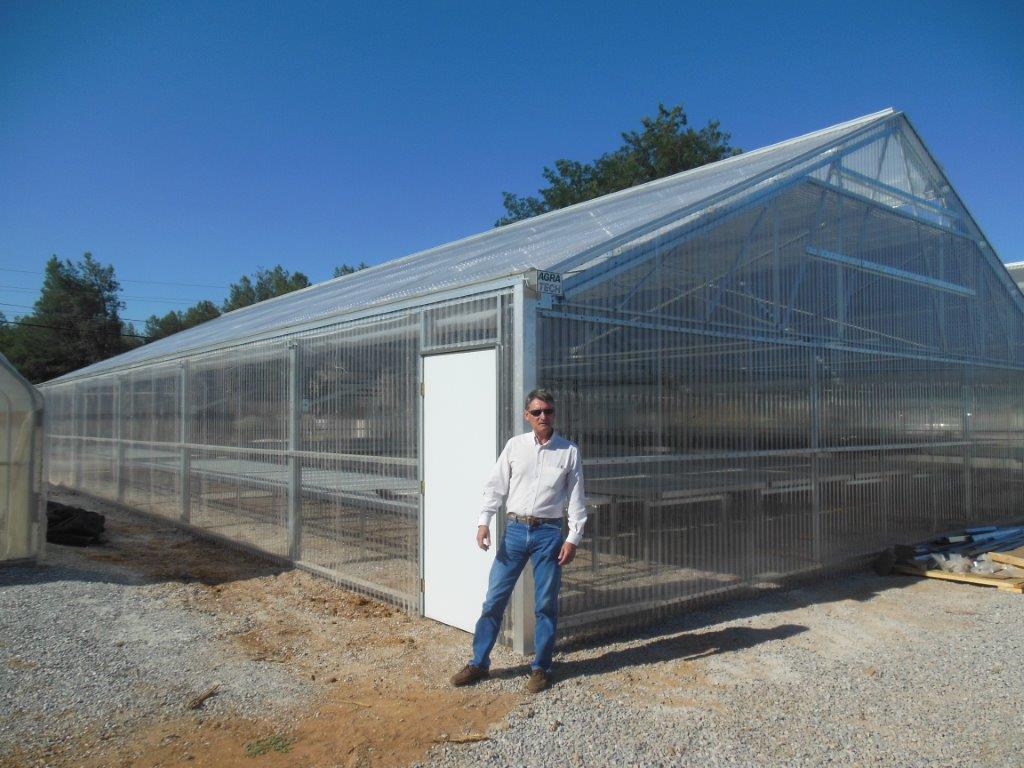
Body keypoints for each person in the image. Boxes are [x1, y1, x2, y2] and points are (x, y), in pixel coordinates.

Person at [450, 388, 586, 693]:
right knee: (494, 599)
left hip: (549, 534)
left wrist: (573, 537)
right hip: (514, 530)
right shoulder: (514, 447)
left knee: (545, 604)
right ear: (527, 416)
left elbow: (577, 499)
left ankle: (541, 667)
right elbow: (496, 486)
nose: (543, 417)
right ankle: (478, 663)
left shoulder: (569, 452)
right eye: (536, 412)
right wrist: (483, 521)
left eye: (548, 411)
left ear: (554, 414)